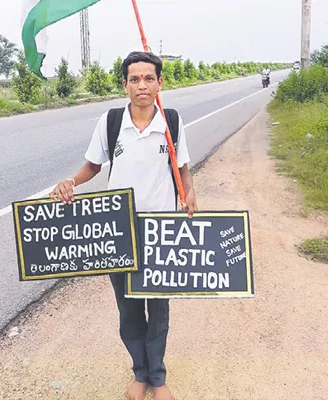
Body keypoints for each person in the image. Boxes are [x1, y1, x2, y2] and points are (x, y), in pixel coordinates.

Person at [50, 51, 196, 400]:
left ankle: (158, 379)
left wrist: (189, 194)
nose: (142, 85)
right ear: (125, 85)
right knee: (129, 307)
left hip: (161, 231)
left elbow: (183, 169)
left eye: (149, 78)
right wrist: (70, 182)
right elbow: (92, 166)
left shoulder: (171, 121)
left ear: (160, 83)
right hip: (118, 232)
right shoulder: (111, 121)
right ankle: (140, 373)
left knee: (158, 308)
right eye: (135, 79)